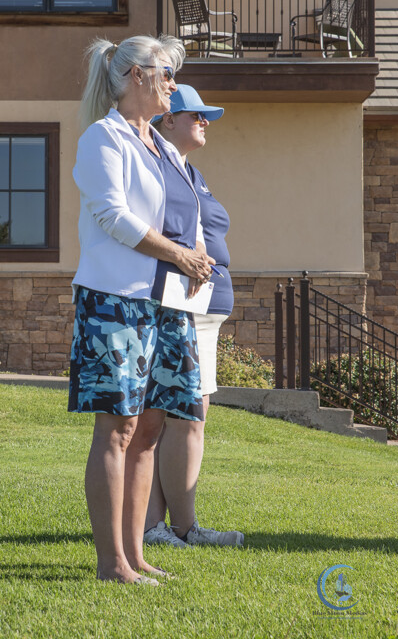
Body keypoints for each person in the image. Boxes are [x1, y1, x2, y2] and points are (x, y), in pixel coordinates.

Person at [68, 39, 215, 584]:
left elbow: (182, 215)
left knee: (150, 429)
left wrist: (195, 257)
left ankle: (136, 554)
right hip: (116, 301)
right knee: (119, 427)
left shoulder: (161, 147)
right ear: (135, 75)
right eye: (166, 73)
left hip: (166, 305)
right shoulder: (101, 138)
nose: (174, 83)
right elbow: (113, 216)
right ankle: (111, 564)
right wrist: (180, 255)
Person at [144, 85, 244, 547]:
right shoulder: (157, 165)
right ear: (168, 119)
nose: (205, 122)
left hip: (205, 309)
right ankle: (168, 527)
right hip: (179, 303)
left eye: (207, 116)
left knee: (191, 414)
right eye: (195, 115)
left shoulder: (190, 172)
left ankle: (171, 526)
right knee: (179, 416)